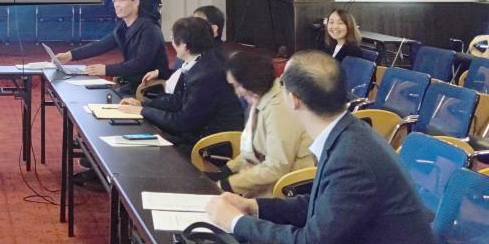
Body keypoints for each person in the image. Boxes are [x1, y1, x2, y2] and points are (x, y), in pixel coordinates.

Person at [205, 51, 435, 244]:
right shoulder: (347, 133)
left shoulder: (351, 157)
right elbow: (321, 204)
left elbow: (312, 241)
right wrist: (255, 207)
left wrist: (237, 223)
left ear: (293, 100)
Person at [118, 17, 243, 151]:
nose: (172, 42)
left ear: (184, 45)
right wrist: (142, 104)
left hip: (210, 145)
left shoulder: (206, 75)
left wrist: (142, 111)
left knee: (142, 150)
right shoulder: (198, 63)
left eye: (173, 38)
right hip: (196, 135)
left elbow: (182, 123)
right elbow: (178, 100)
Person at [208, 50, 313, 198]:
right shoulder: (262, 98)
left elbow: (276, 167)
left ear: (250, 82)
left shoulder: (280, 108)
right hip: (264, 183)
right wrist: (225, 171)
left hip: (284, 192)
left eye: (237, 86)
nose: (237, 93)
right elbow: (253, 151)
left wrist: (228, 184)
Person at [55, 0, 170, 96]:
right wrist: (70, 55)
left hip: (148, 88)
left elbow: (140, 63)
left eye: (122, 0)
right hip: (131, 83)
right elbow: (102, 45)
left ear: (136, 3)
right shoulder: (123, 26)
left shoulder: (149, 29)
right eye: (115, 0)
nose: (117, 4)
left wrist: (106, 69)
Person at [139, 5, 227, 98]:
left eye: (197, 22)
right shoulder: (193, 49)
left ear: (213, 29)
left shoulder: (211, 58)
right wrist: (159, 73)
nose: (192, 26)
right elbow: (180, 72)